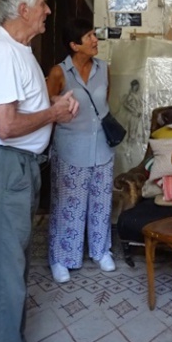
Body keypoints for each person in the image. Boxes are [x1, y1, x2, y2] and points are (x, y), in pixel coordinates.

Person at [0, 0, 78, 342]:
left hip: (16, 165)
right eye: (43, 3)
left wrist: (52, 104)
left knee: (13, 261)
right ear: (23, 9)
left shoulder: (19, 50)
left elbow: (22, 107)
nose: (48, 9)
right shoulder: (2, 55)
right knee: (3, 266)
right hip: (4, 165)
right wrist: (53, 114)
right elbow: (6, 126)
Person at [45, 18, 117, 284]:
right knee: (68, 206)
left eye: (94, 34)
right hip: (70, 149)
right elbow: (47, 109)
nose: (95, 40)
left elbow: (104, 104)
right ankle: (61, 258)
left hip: (102, 148)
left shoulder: (104, 69)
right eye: (89, 36)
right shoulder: (59, 73)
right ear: (74, 45)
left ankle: (101, 250)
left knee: (101, 202)